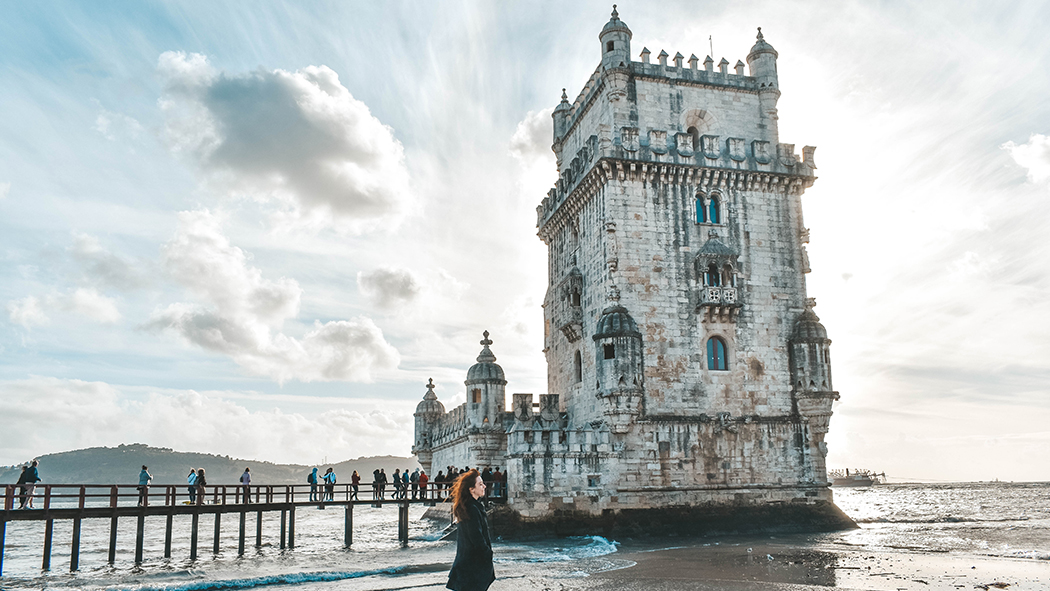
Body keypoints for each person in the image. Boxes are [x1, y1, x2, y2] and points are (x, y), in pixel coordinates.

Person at [446, 469, 495, 591]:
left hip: (467, 565)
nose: (484, 486)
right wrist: (487, 553)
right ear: (471, 489)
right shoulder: (472, 508)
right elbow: (476, 537)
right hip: (472, 567)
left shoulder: (468, 506)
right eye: (480, 484)